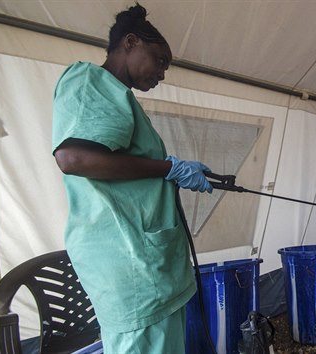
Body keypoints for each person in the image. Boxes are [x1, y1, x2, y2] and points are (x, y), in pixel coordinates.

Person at [52, 4, 212, 353]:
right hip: (130, 266)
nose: (163, 73)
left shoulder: (121, 97)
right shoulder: (90, 81)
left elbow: (130, 167)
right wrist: (169, 168)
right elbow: (73, 157)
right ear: (130, 42)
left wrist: (172, 168)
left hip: (149, 265)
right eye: (160, 60)